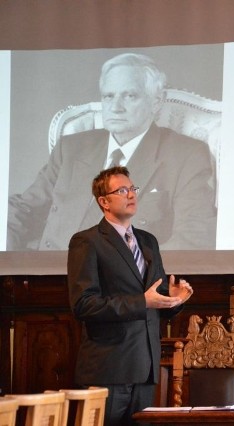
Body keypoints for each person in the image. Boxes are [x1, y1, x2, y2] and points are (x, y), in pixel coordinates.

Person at [8, 52, 217, 251]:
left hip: (123, 282)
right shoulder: (71, 148)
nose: (115, 107)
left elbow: (193, 238)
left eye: (130, 96)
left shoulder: (186, 155)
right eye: (108, 96)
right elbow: (23, 209)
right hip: (50, 274)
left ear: (156, 102)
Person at [67, 166, 194, 425]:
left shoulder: (148, 241)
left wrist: (175, 299)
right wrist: (142, 302)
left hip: (145, 367)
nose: (132, 195)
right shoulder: (87, 241)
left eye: (133, 188)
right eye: (122, 190)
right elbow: (83, 305)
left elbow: (155, 298)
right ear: (103, 201)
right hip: (109, 368)